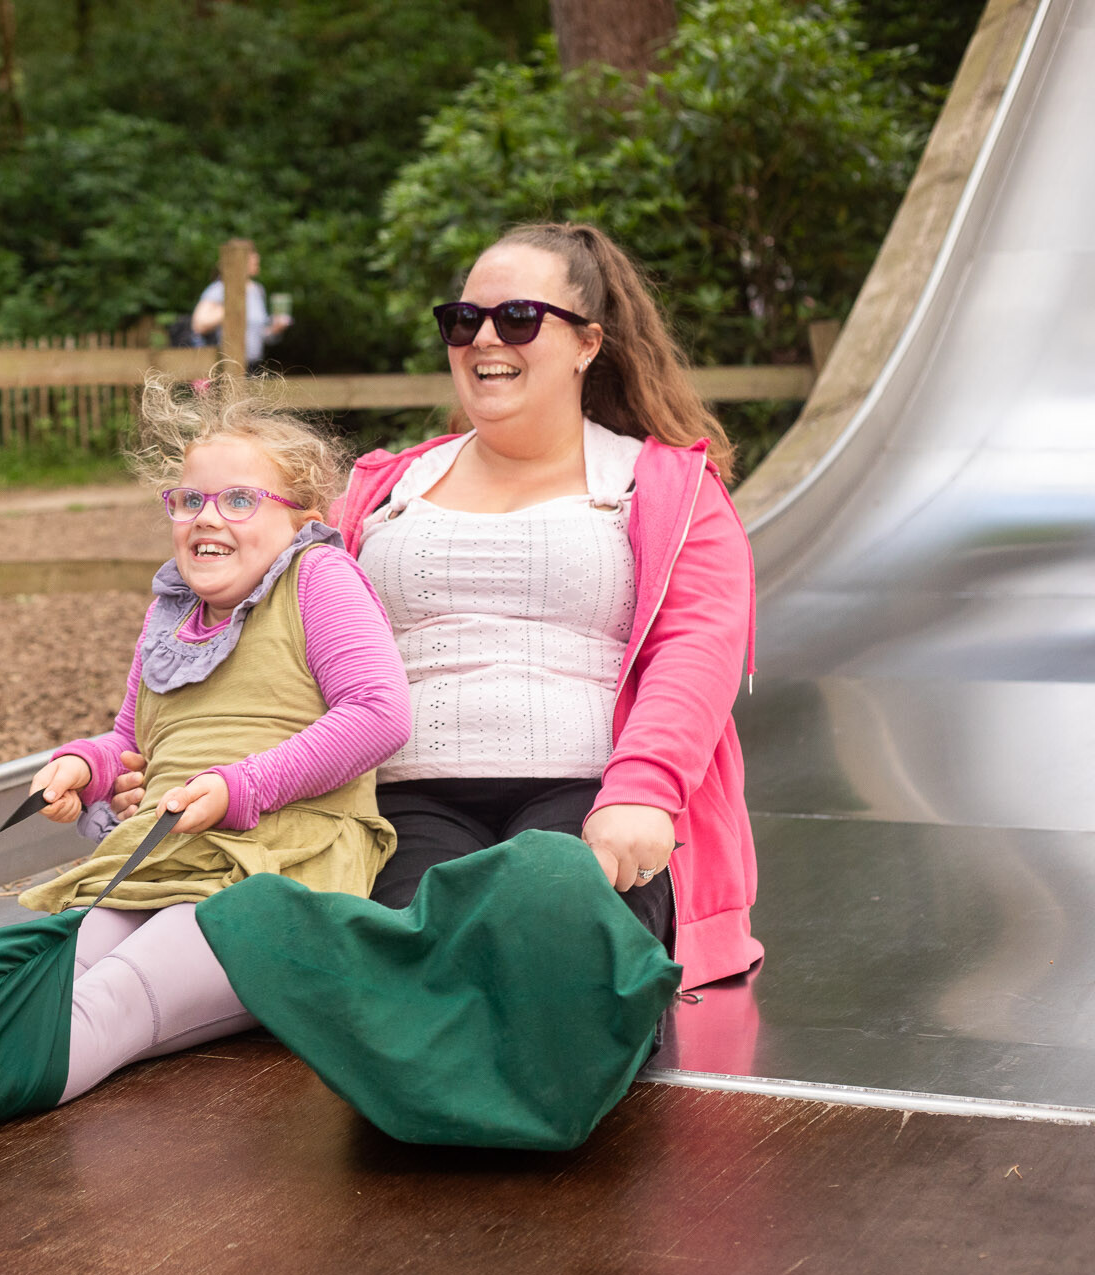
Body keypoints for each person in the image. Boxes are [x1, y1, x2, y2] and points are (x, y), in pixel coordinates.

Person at [114, 222, 759, 992]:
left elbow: (696, 649)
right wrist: (173, 753)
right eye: (464, 319)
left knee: (554, 934)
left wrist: (644, 793)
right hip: (406, 799)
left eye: (517, 317)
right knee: (407, 964)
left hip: (589, 792)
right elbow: (268, 623)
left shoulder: (666, 488)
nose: (485, 337)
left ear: (589, 342)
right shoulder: (384, 490)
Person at [19, 372, 410, 1102]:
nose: (208, 517)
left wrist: (242, 784)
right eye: (190, 499)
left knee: (110, 1003)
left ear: (301, 517)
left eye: (239, 500)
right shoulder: (168, 611)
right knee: (39, 973)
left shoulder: (317, 578)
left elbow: (380, 711)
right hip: (165, 858)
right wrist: (85, 767)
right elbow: (133, 742)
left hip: (279, 870)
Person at [189, 243, 293, 368]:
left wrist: (275, 329)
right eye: (252, 255)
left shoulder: (257, 290)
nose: (257, 258)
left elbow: (258, 334)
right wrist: (229, 309)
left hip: (254, 365)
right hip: (227, 366)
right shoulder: (220, 288)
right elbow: (199, 325)